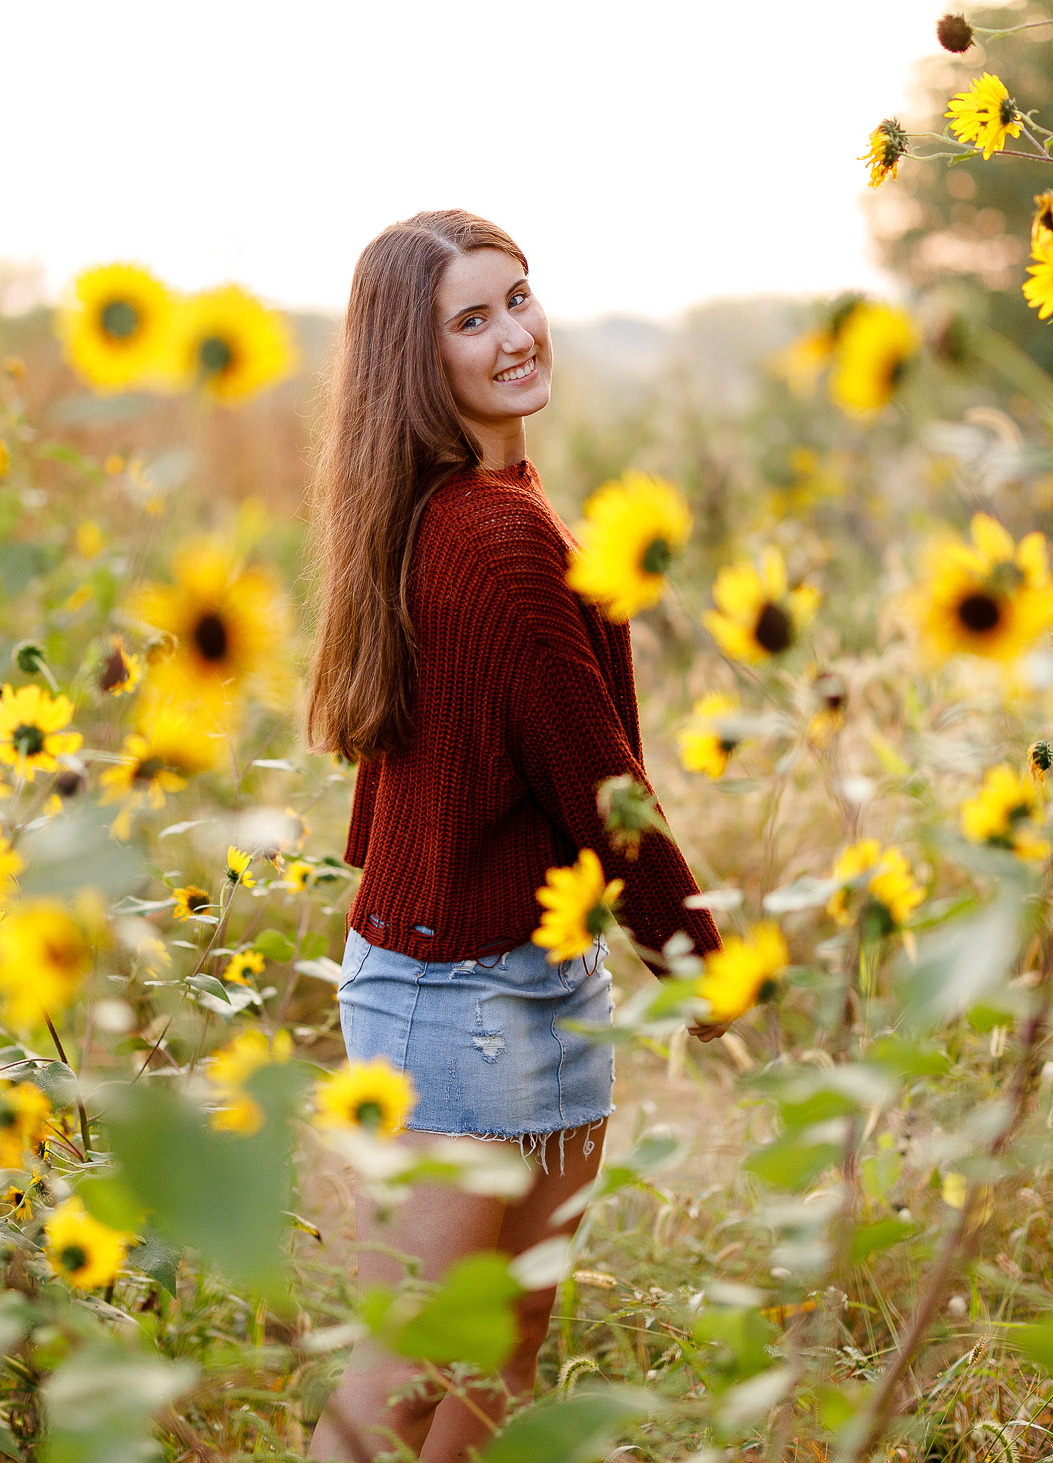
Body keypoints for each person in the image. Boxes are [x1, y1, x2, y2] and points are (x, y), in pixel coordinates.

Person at [302, 209, 727, 1462]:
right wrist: (704, 957)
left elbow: (421, 757)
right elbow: (599, 784)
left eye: (520, 298)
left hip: (511, 969)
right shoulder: (492, 535)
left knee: (502, 1345)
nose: (514, 335)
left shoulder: (478, 499)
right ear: (414, 360)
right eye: (470, 319)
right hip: (462, 992)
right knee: (421, 1356)